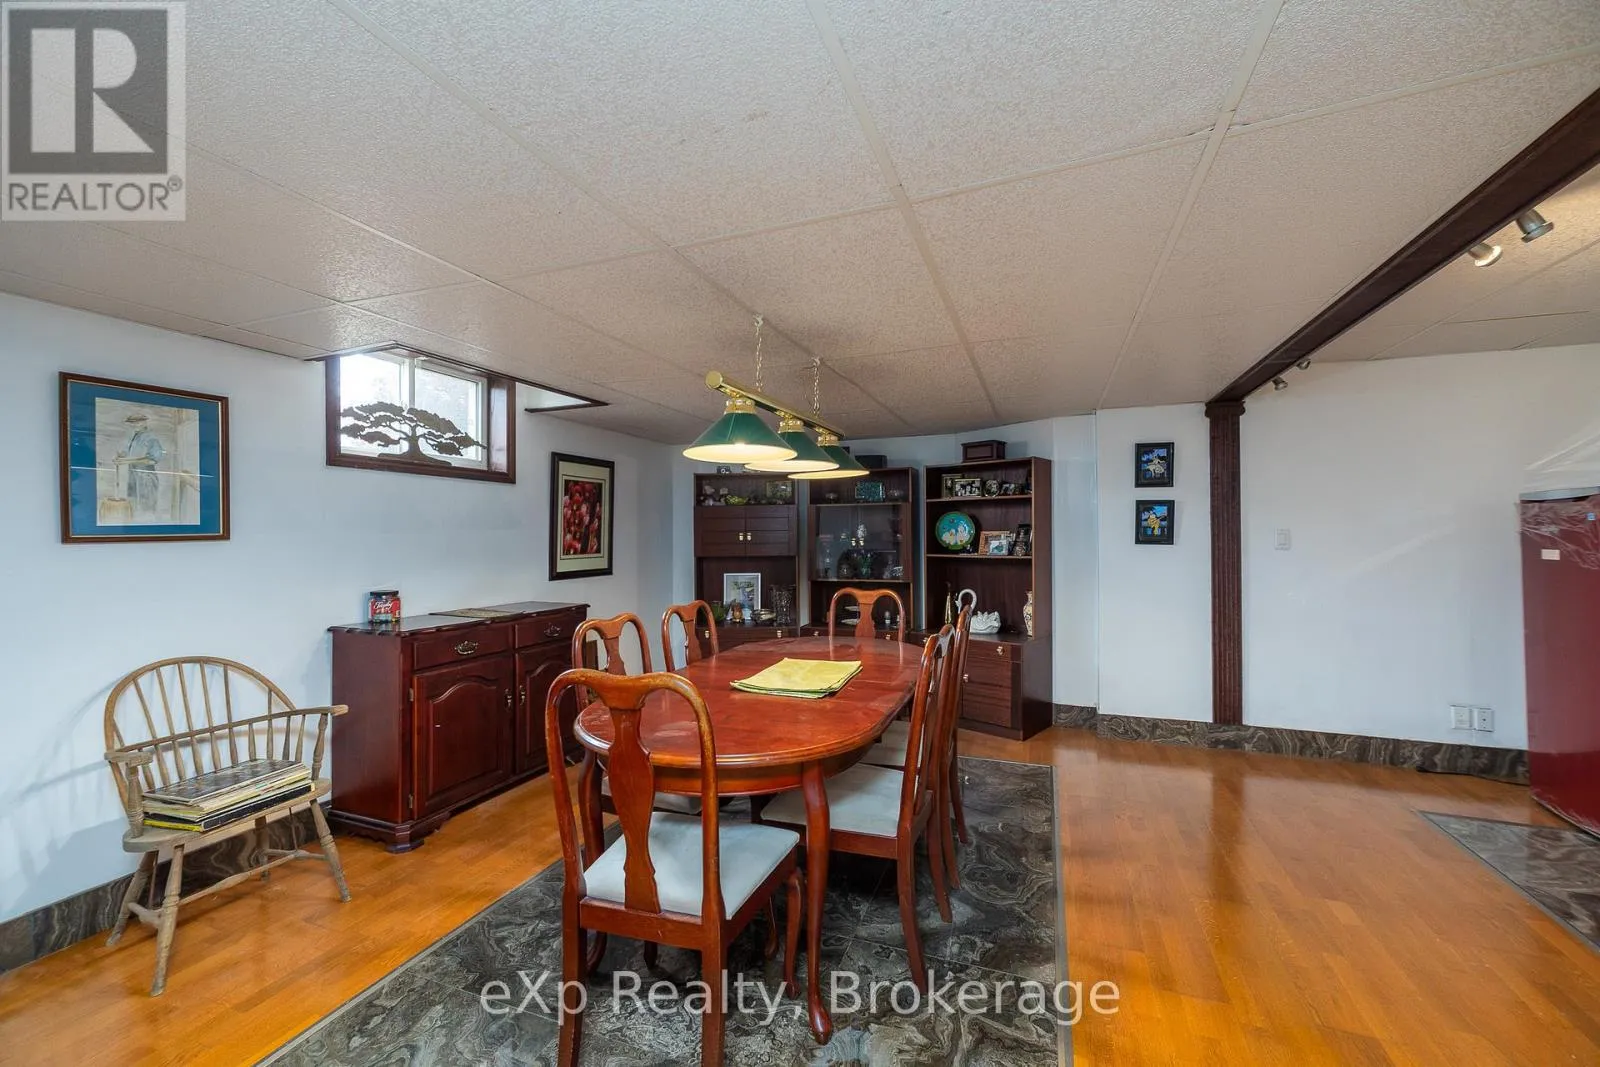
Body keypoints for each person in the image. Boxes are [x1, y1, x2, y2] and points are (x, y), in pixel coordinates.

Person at [118, 413, 165, 517]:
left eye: (137, 422)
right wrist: (121, 455)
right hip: (133, 476)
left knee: (146, 510)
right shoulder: (135, 437)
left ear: (144, 422)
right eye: (132, 423)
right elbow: (129, 453)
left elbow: (153, 460)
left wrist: (128, 461)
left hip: (146, 478)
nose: (134, 425)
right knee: (132, 506)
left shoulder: (151, 438)